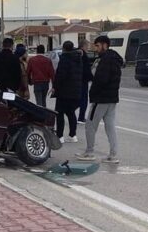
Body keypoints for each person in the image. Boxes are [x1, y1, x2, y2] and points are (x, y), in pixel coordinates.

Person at [76, 35, 122, 164]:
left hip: (101, 99)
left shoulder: (105, 60)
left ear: (104, 45)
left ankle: (89, 152)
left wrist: (93, 92)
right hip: (112, 98)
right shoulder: (113, 59)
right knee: (110, 126)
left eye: (97, 46)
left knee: (90, 125)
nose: (95, 49)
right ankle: (113, 155)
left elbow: (101, 79)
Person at [52, 41, 83, 143]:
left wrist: (55, 87)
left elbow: (60, 75)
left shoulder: (64, 59)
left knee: (59, 113)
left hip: (64, 92)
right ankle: (73, 135)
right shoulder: (78, 59)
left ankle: (60, 136)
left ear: (64, 49)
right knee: (71, 113)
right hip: (76, 91)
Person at [77, 39, 93, 123]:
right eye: (87, 45)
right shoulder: (83, 55)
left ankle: (77, 115)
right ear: (84, 45)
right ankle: (81, 117)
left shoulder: (78, 53)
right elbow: (86, 69)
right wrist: (92, 78)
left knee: (79, 98)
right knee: (83, 99)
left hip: (78, 80)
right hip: (83, 80)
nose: (88, 47)